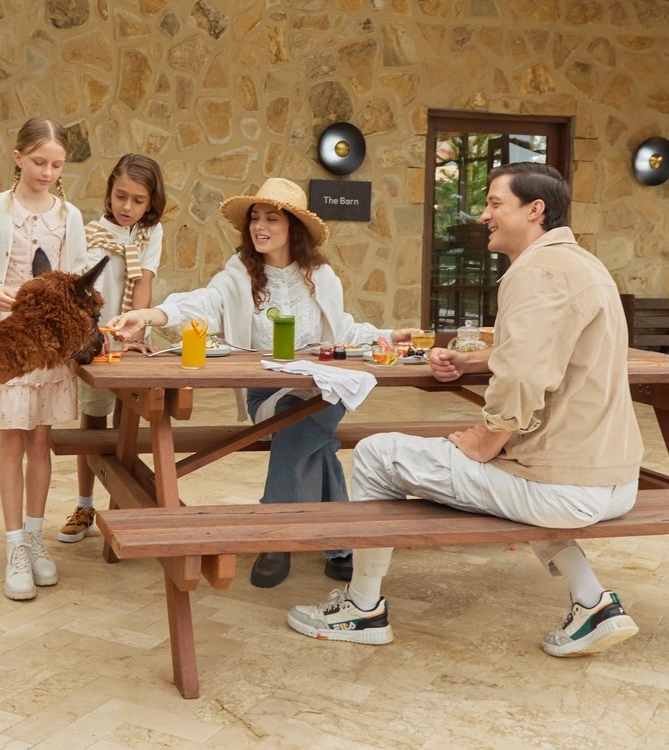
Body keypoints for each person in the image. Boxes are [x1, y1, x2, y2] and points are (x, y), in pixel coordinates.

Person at [287, 162, 644, 658]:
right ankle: (593, 603)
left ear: (535, 210)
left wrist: (490, 437)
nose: (484, 215)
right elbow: (550, 351)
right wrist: (473, 360)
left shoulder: (535, 272)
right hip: (616, 480)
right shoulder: (585, 265)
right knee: (509, 477)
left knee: (374, 454)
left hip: (564, 487)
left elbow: (523, 375)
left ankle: (361, 608)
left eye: (495, 203)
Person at [109, 178, 414, 587]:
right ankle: (336, 543)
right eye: (255, 218)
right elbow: (202, 302)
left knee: (309, 413)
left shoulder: (322, 276)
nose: (259, 226)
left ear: (293, 228)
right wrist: (148, 315)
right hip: (267, 393)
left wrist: (388, 336)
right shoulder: (238, 274)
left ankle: (276, 536)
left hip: (322, 388)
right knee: (305, 429)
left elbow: (342, 329)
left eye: (272, 218)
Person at [0, 117, 88, 601]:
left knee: (40, 441)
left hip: (50, 348)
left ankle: (35, 538)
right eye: (38, 162)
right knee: (12, 441)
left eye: (56, 165)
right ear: (18, 157)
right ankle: (14, 548)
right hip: (7, 341)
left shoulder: (69, 216)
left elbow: (79, 278)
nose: (47, 172)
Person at [59, 154, 167, 544]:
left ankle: (121, 509)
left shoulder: (150, 234)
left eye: (138, 200)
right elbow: (81, 292)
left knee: (129, 424)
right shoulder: (89, 234)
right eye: (121, 196)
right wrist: (94, 334)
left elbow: (143, 284)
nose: (127, 207)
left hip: (130, 339)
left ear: (151, 202)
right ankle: (85, 504)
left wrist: (135, 336)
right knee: (94, 421)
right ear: (108, 192)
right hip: (96, 341)